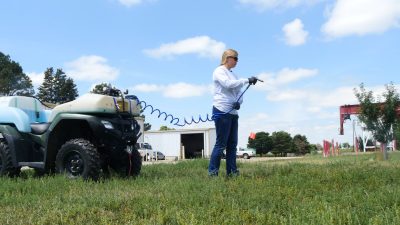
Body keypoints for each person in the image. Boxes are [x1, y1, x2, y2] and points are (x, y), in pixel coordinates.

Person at [208, 49, 257, 177]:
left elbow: (238, 91)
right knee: (221, 144)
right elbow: (228, 84)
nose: (237, 61)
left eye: (237, 59)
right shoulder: (219, 71)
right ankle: (213, 174)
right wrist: (246, 80)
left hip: (233, 112)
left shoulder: (233, 75)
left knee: (232, 145)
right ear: (228, 58)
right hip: (222, 110)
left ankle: (232, 173)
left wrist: (239, 102)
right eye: (235, 58)